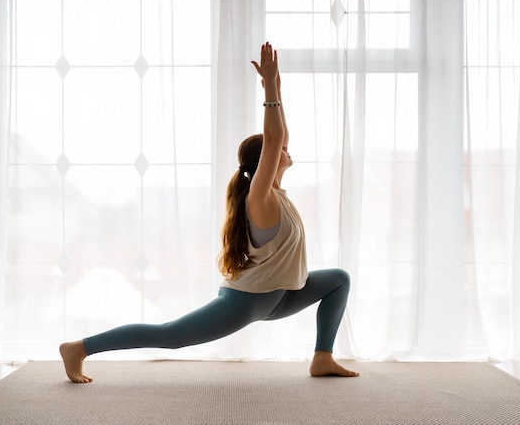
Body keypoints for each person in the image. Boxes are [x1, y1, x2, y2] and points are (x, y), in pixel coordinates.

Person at [59, 42, 359, 383]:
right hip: (248, 301)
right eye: (280, 149)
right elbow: (275, 140)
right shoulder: (260, 200)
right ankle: (79, 348)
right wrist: (272, 90)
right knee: (169, 335)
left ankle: (322, 358)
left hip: (281, 294)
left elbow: (279, 136)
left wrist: (275, 88)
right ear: (268, 160)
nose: (288, 148)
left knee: (338, 279)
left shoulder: (275, 193)